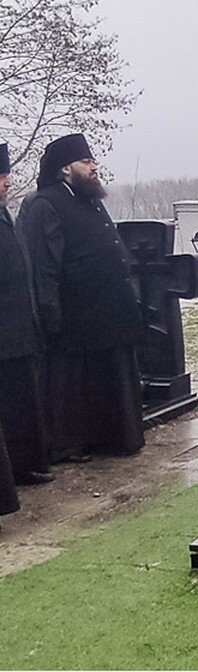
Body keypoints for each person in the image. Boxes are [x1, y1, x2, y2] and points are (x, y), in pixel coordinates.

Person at [19, 133, 144, 461]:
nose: (93, 168)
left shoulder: (89, 199)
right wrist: (49, 315)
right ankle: (70, 444)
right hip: (74, 318)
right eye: (86, 162)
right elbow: (42, 267)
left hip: (108, 313)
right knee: (72, 384)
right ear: (64, 169)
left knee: (111, 377)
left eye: (93, 161)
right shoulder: (44, 204)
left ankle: (114, 437)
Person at [0, 141, 54, 485]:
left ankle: (22, 466)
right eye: (1, 175)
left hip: (18, 328)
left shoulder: (6, 213)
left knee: (20, 402)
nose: (7, 181)